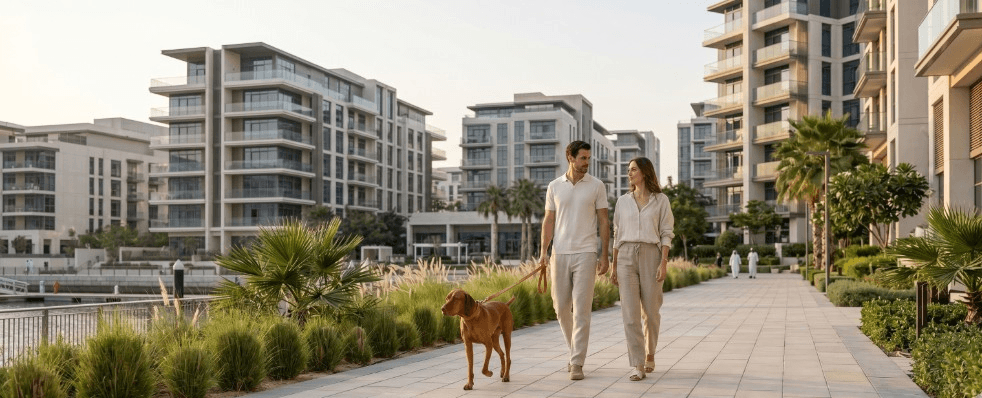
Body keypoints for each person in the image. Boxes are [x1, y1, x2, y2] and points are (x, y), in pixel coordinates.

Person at [539, 140, 610, 381]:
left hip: (586, 253)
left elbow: (604, 222)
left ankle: (577, 361)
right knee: (560, 309)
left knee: (581, 311)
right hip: (559, 254)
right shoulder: (554, 186)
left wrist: (604, 255)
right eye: (583, 158)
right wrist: (543, 253)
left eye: (588, 159)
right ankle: (574, 352)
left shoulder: (597, 186)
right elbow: (548, 221)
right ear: (570, 157)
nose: (586, 163)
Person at [611, 157, 674, 381]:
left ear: (645, 173)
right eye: (628, 170)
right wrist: (614, 264)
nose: (629, 173)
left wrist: (663, 262)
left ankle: (650, 353)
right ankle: (637, 364)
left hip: (651, 254)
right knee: (629, 314)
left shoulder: (661, 200)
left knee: (651, 312)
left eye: (633, 169)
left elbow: (667, 232)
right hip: (626, 256)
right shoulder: (622, 202)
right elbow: (617, 235)